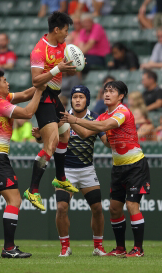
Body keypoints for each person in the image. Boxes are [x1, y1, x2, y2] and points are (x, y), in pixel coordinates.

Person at [61, 81, 150, 257]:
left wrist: (75, 119)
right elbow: (86, 133)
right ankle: (120, 249)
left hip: (135, 166)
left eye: (112, 91)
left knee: (132, 205)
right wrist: (68, 121)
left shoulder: (122, 112)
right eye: (106, 91)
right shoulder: (102, 116)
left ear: (121, 96)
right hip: (118, 167)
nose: (107, 94)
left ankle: (138, 249)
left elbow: (103, 127)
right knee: (115, 209)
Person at [0, 70, 46, 259]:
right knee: (15, 200)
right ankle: (9, 248)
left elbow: (24, 95)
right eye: (5, 81)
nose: (8, 83)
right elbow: (29, 113)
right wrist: (40, 91)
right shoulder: (0, 103)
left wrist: (42, 82)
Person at [32, 85, 110, 257]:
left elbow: (100, 139)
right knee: (61, 207)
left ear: (87, 100)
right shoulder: (60, 116)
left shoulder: (94, 118)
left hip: (87, 169)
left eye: (81, 97)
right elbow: (50, 141)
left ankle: (98, 246)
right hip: (66, 171)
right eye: (75, 97)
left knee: (97, 208)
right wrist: (40, 136)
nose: (77, 100)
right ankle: (65, 246)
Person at [23, 11, 79, 212]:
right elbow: (36, 80)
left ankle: (61, 178)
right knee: (52, 142)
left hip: (55, 97)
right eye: (65, 30)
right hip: (44, 96)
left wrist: (74, 66)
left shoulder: (64, 47)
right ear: (56, 30)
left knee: (65, 134)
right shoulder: (39, 50)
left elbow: (68, 69)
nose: (67, 34)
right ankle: (32, 190)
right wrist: (57, 69)